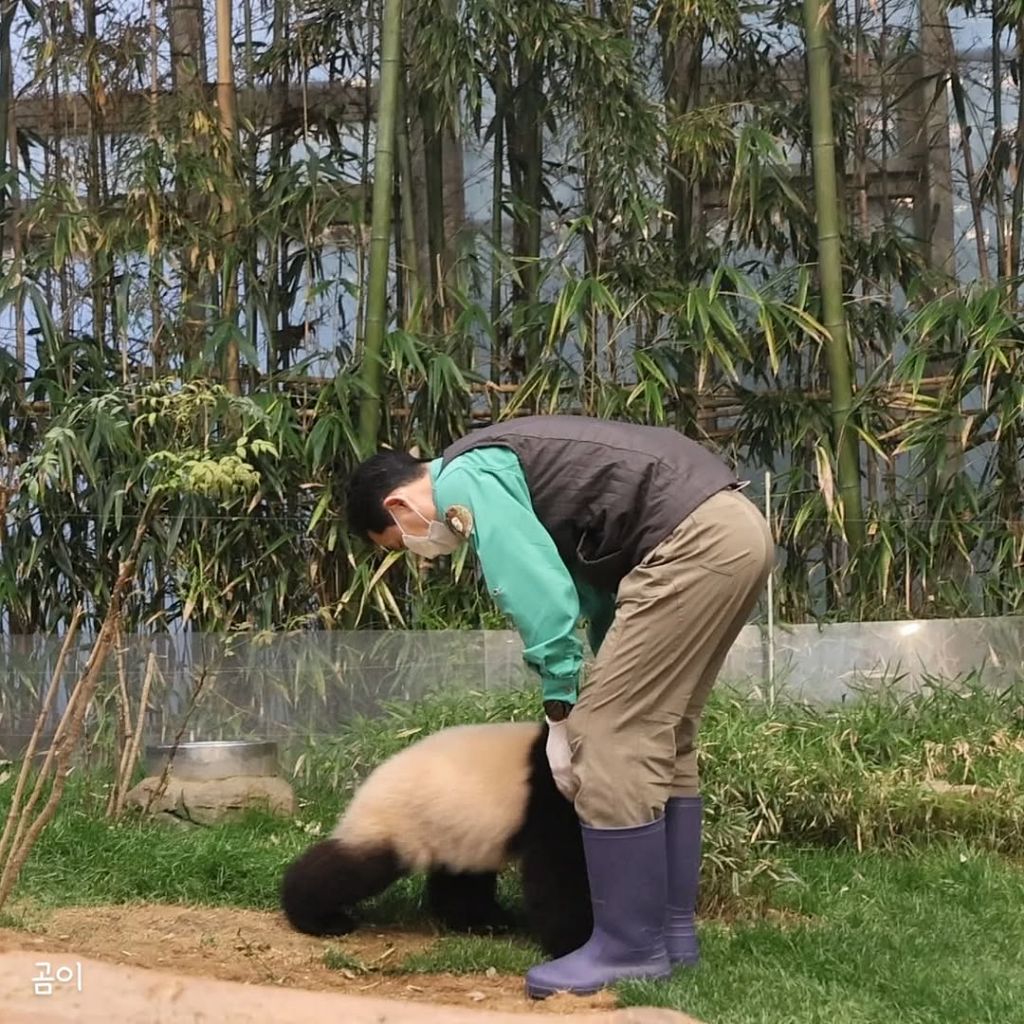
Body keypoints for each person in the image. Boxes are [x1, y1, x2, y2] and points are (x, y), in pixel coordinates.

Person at [345, 415, 775, 998]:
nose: (421, 552)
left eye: (400, 542)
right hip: (732, 530)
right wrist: (598, 673)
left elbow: (535, 589)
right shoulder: (508, 463)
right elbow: (595, 591)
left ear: (398, 504)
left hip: (690, 541)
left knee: (609, 738)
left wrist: (561, 705)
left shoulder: (468, 478)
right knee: (664, 735)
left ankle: (627, 947)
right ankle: (671, 934)